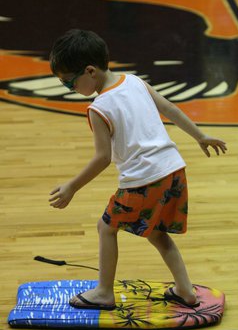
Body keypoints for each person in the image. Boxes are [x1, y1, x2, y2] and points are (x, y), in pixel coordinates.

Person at [49, 29, 227, 310]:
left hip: (144, 179)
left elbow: (102, 158)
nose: (69, 89)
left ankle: (104, 292)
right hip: (173, 170)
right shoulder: (133, 81)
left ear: (90, 71)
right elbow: (170, 108)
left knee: (106, 227)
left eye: (69, 84)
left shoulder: (99, 108)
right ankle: (185, 290)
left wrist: (72, 186)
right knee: (156, 231)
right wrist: (200, 136)